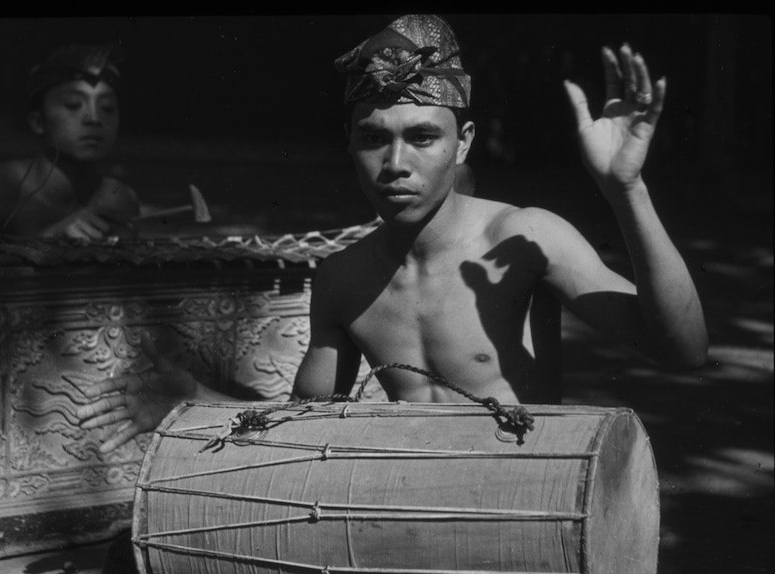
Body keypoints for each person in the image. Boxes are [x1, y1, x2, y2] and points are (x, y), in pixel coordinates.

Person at [77, 12, 708, 454]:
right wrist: (195, 392)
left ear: (461, 143)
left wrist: (627, 190)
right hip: (402, 512)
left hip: (527, 507)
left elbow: (683, 351)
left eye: (422, 137)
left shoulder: (524, 238)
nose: (396, 163)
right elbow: (305, 429)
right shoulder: (344, 279)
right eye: (374, 138)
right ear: (350, 145)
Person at [0, 44, 140, 241]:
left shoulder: (119, 199)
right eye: (73, 105)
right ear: (38, 121)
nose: (94, 118)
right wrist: (49, 239)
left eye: (107, 108)